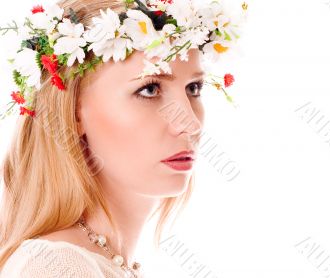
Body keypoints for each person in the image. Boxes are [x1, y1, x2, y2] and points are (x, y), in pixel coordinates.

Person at [0, 0, 246, 277]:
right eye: (150, 89)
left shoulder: (99, 262)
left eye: (194, 87)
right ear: (72, 112)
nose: (189, 123)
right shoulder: (55, 267)